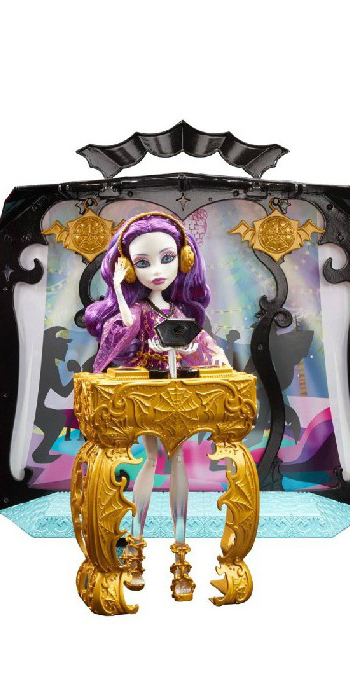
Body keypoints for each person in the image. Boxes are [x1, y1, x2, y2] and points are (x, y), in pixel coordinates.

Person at [83, 212, 230, 596]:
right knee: (151, 458)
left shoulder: (178, 312)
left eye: (167, 259)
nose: (158, 271)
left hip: (176, 392)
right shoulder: (139, 311)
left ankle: (180, 553)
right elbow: (122, 324)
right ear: (132, 269)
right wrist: (118, 289)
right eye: (144, 263)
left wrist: (216, 355)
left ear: (183, 260)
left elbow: (200, 343)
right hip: (149, 394)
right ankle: (136, 546)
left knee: (177, 459)